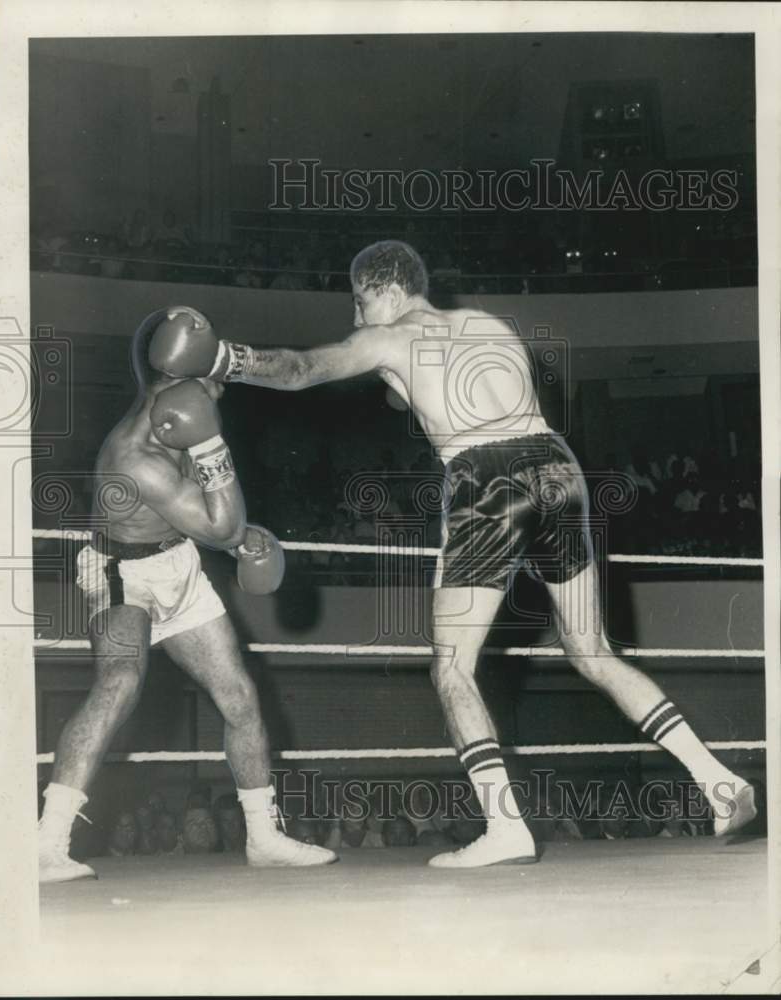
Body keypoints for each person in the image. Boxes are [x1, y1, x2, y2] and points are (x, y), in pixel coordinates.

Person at [147, 242, 757, 868]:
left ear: (383, 290)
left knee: (452, 669)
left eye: (359, 304)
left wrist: (223, 358)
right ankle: (717, 782)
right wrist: (394, 382)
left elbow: (304, 370)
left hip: (487, 478)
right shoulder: (487, 327)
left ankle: (503, 825)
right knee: (592, 650)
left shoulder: (391, 337)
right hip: (558, 467)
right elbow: (424, 388)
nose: (357, 320)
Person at [38, 306, 337, 883]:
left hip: (176, 559)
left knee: (240, 699)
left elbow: (211, 528)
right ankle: (47, 842)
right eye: (211, 375)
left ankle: (264, 837)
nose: (221, 384)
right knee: (118, 686)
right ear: (182, 377)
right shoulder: (137, 457)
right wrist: (215, 469)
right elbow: (221, 526)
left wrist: (233, 536)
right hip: (121, 572)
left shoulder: (174, 404)